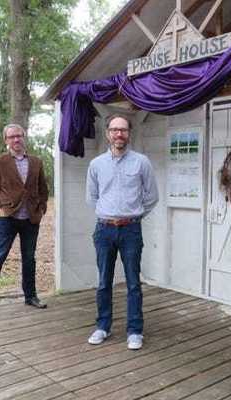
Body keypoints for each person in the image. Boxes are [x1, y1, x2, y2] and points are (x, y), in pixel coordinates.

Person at [85, 114, 159, 350]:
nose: (119, 134)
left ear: (129, 134)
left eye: (124, 130)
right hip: (104, 230)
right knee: (103, 282)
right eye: (115, 130)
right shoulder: (96, 164)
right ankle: (103, 326)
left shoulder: (141, 162)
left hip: (131, 231)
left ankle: (135, 331)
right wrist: (109, 214)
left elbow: (152, 196)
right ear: (108, 133)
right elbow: (92, 197)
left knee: (133, 283)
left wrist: (134, 215)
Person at [0, 123, 49, 316]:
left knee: (29, 258)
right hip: (7, 218)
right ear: (6, 140)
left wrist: (41, 208)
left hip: (31, 219)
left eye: (19, 135)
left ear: (24, 137)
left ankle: (31, 296)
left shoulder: (36, 162)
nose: (16, 139)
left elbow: (43, 189)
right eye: (12, 137)